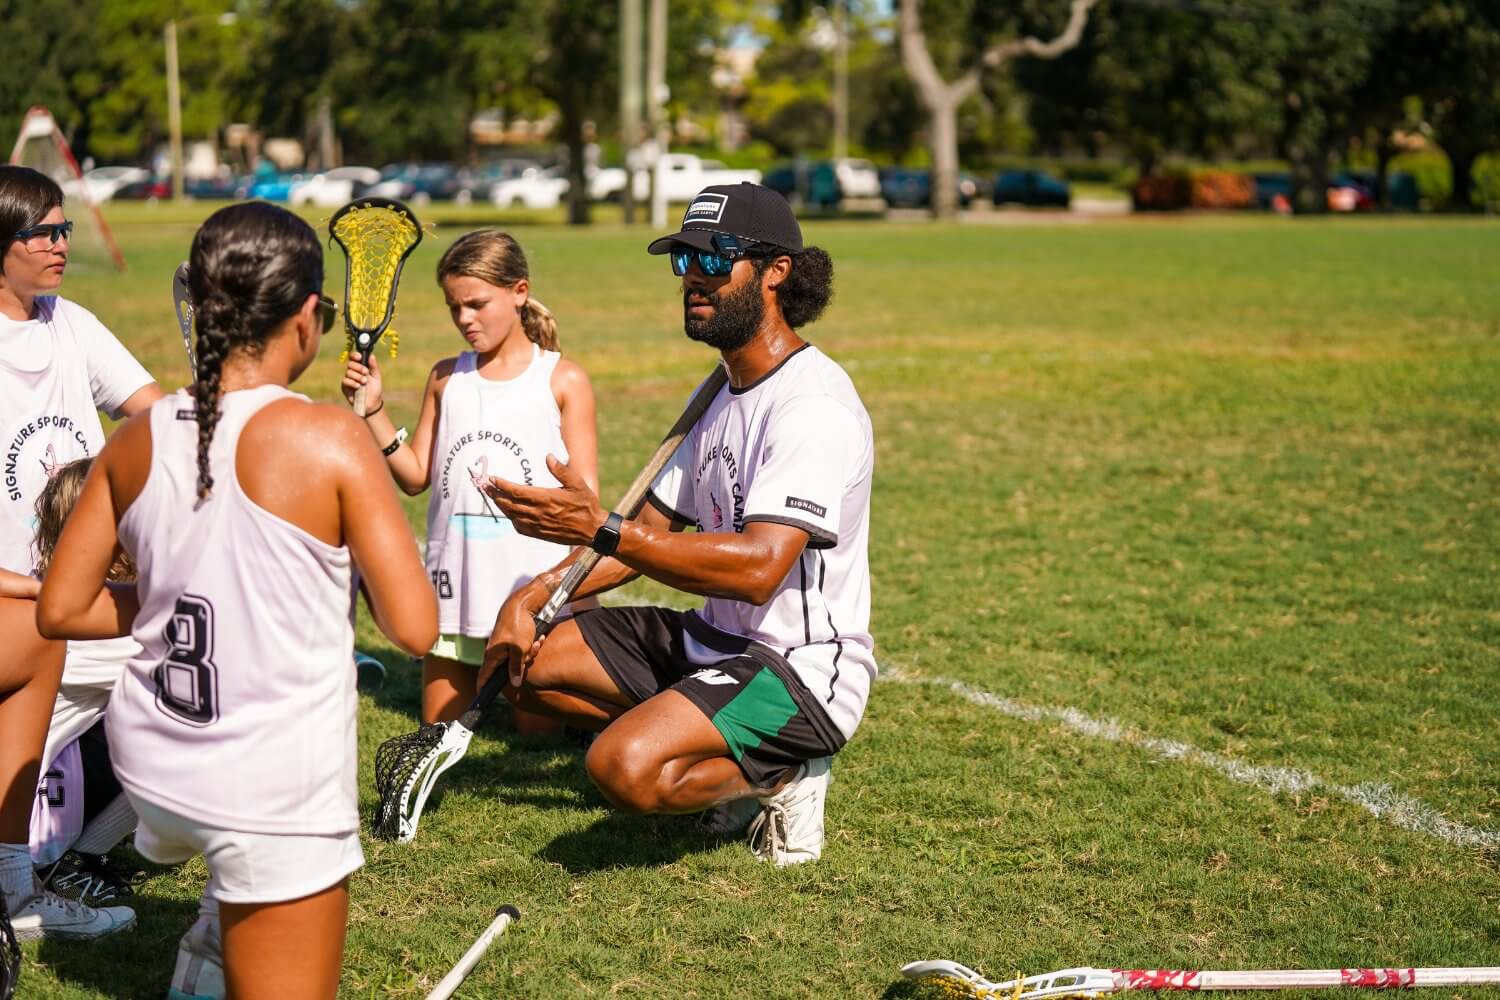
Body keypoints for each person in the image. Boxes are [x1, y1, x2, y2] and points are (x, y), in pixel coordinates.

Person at [36, 202, 438, 1000]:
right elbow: (414, 624)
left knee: (228, 852)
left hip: (157, 764)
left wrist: (170, 595)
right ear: (308, 316)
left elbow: (61, 609)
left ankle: (219, 933)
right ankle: (231, 929)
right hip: (268, 785)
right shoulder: (330, 437)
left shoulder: (135, 437)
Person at [484, 182, 875, 866]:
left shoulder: (812, 405)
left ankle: (783, 774)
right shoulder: (721, 389)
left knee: (621, 768)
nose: (695, 277)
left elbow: (758, 571)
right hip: (713, 643)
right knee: (530, 665)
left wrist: (605, 528)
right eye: (685, 260)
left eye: (717, 258)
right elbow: (652, 527)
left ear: (776, 271)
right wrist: (536, 595)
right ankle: (702, 734)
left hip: (796, 678)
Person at [341, 229, 597, 729]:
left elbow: (585, 505)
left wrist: (569, 598)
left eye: (477, 304)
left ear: (519, 292)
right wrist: (372, 411)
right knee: (438, 727)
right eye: (454, 307)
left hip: (529, 602)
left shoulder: (562, 379)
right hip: (456, 594)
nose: (464, 319)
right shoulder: (445, 378)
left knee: (537, 737)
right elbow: (415, 476)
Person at [0, 164, 160, 946]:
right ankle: (26, 888)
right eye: (44, 231)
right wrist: (30, 595)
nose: (62, 244)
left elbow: (157, 417)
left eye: (64, 228)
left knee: (201, 672)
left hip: (79, 604)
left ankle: (56, 874)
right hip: (19, 611)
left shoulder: (71, 323)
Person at [29, 459, 142, 907]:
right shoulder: (104, 632)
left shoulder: (47, 590)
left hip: (31, 788)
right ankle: (72, 862)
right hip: (27, 821)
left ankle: (74, 857)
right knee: (192, 722)